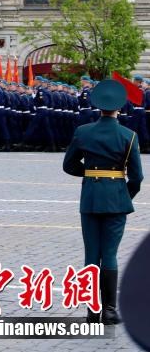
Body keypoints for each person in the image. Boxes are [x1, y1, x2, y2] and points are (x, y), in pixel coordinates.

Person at [63, 79, 142, 325]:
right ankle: (108, 310)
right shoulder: (129, 136)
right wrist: (123, 195)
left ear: (98, 107)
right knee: (109, 254)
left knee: (91, 255)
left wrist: (89, 173)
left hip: (90, 198)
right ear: (120, 107)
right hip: (116, 199)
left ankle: (92, 311)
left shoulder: (83, 131)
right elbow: (137, 177)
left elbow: (69, 165)